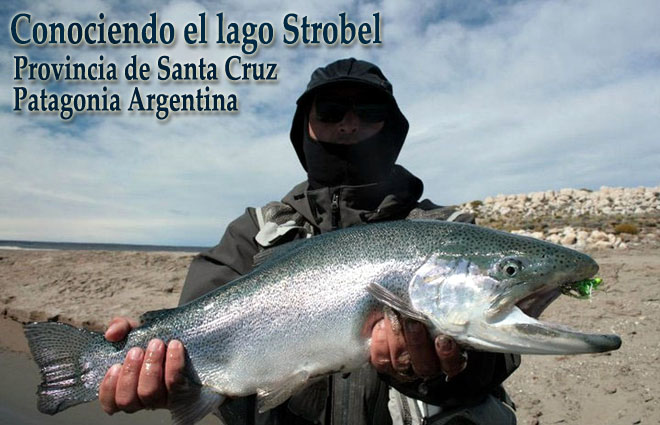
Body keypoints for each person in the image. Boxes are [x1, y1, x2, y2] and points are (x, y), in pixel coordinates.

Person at [99, 58, 519, 424]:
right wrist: (150, 362)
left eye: (369, 111)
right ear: (306, 127)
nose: (349, 124)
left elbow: (502, 348)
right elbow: (192, 330)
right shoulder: (253, 233)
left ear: (392, 127)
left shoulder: (446, 233)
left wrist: (449, 369)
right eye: (332, 111)